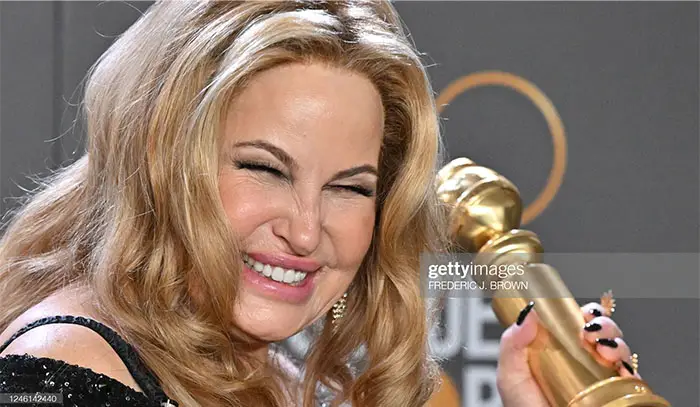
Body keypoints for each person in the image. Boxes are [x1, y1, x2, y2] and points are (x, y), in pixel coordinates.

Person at [0, 1, 639, 406]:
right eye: (263, 169)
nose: (307, 232)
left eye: (349, 187)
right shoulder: (65, 372)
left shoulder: (276, 375)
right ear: (159, 160)